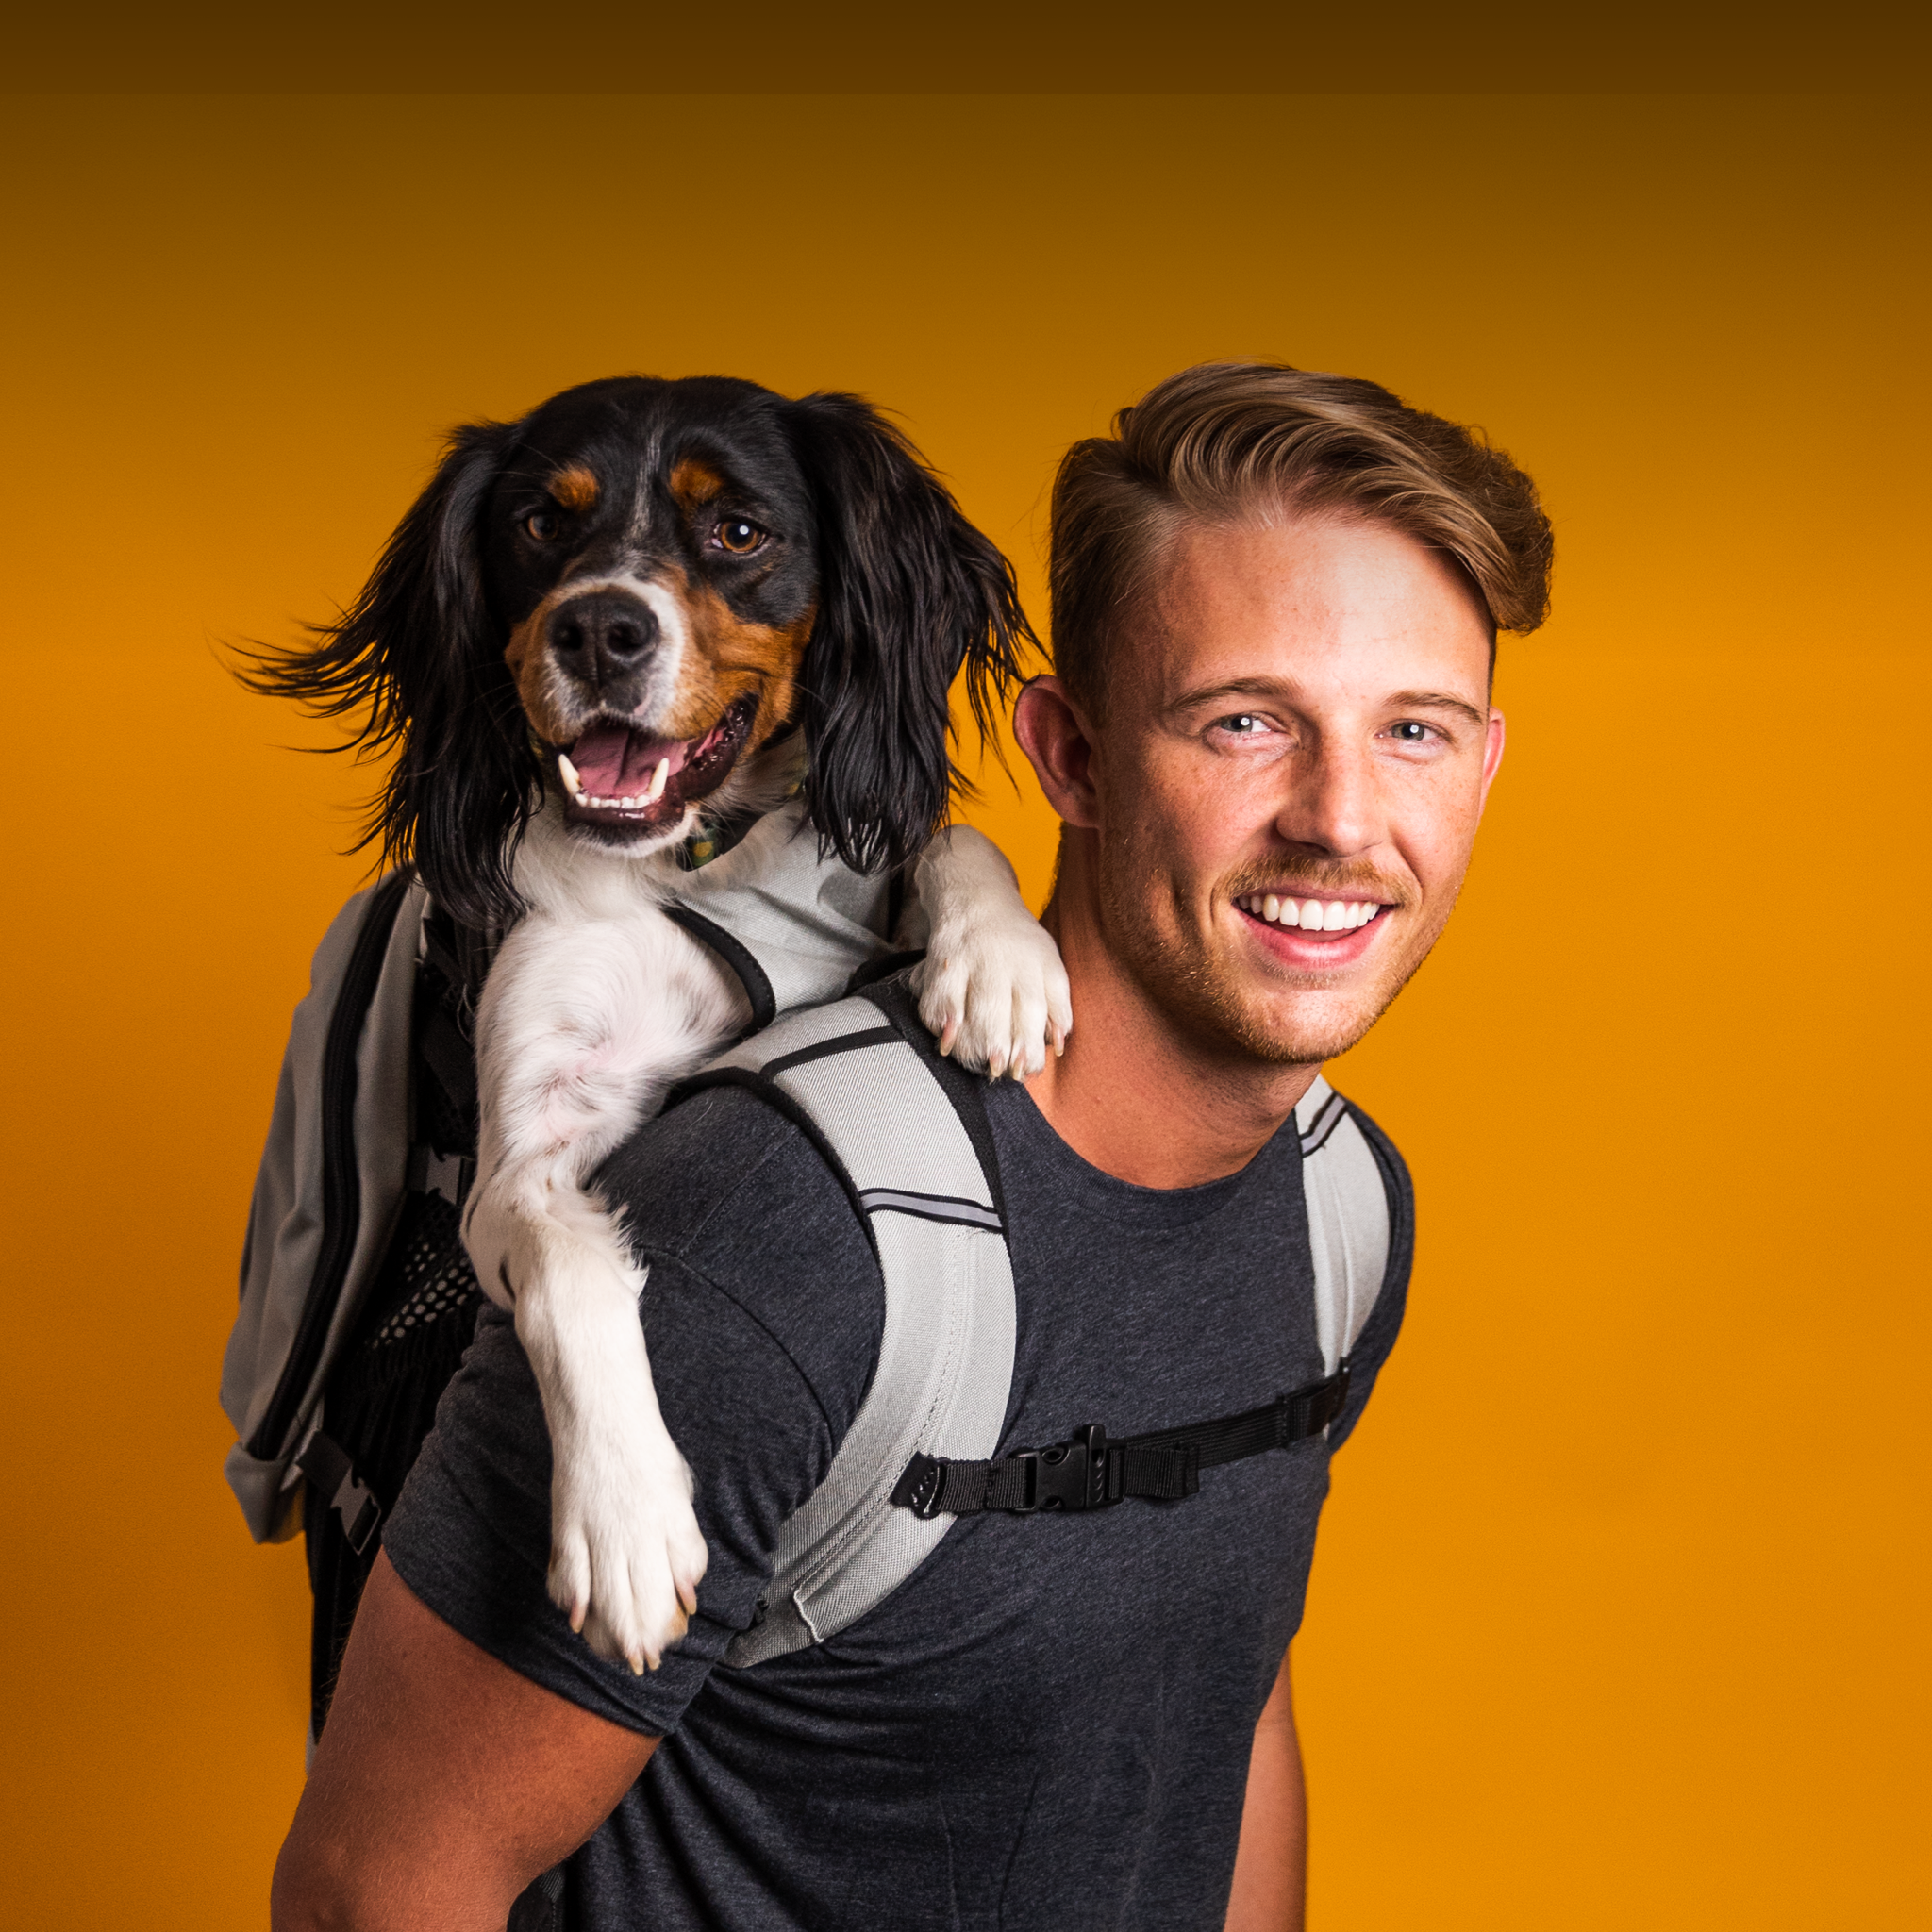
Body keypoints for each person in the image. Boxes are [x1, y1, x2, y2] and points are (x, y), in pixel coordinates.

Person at [272, 360, 1553, 1932]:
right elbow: (373, 1890)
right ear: (1068, 755)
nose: (1341, 819)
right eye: (1244, 724)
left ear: (1488, 762)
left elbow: (1217, 1683)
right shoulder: (761, 1250)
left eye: (1413, 729)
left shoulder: (1338, 1204)